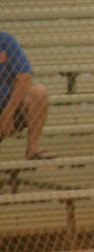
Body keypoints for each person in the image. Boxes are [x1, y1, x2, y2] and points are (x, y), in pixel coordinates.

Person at [0, 31, 52, 159]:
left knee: (39, 92)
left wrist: (8, 113)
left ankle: (32, 150)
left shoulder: (6, 41)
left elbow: (25, 77)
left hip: (9, 107)